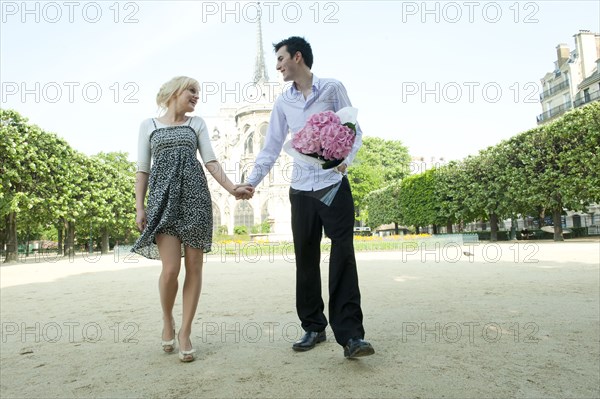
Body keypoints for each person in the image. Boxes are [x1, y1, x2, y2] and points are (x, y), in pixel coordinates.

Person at [240, 37, 374, 358]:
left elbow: (354, 129)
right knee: (305, 258)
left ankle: (351, 335)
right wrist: (251, 182)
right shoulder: (283, 102)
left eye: (281, 59)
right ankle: (313, 327)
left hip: (331, 184)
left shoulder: (332, 88)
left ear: (297, 57)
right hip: (301, 188)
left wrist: (345, 161)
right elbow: (271, 147)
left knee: (343, 254)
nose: (278, 66)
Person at [131, 76, 253, 362]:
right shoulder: (148, 125)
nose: (197, 96)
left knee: (195, 266)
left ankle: (185, 331)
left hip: (195, 198)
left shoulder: (196, 123)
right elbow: (142, 169)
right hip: (162, 200)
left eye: (198, 92)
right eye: (192, 90)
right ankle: (167, 320)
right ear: (175, 91)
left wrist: (233, 188)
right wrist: (140, 207)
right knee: (171, 269)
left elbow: (210, 161)